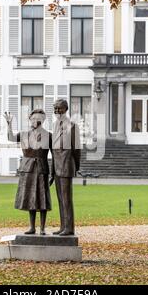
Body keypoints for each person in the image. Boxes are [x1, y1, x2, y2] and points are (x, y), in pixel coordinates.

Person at [4, 109, 53, 235]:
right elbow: (11, 138)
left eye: (37, 119)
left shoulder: (49, 136)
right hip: (27, 169)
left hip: (42, 168)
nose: (33, 121)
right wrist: (9, 125)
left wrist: (53, 173)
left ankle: (42, 228)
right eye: (32, 119)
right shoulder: (24, 134)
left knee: (42, 198)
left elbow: (54, 156)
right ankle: (32, 227)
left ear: (42, 121)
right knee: (31, 197)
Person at [49, 99, 81, 236]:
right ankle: (63, 226)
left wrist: (76, 166)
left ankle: (69, 228)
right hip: (57, 167)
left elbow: (77, 148)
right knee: (60, 199)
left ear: (66, 109)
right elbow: (52, 149)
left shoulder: (73, 126)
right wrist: (52, 170)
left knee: (67, 199)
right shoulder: (55, 125)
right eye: (55, 109)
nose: (57, 111)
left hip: (67, 165)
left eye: (59, 109)